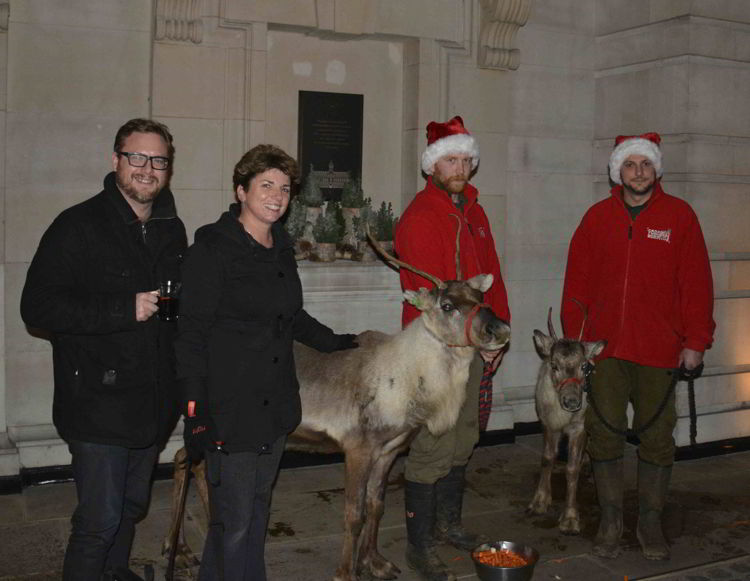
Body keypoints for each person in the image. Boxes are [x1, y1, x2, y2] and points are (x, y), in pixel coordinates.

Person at [174, 144, 358, 581]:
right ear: (241, 190)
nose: (277, 196)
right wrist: (195, 411)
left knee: (252, 513)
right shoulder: (212, 250)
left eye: (285, 188)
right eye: (265, 186)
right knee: (236, 523)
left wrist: (335, 342)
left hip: (273, 405)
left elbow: (290, 315)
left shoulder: (280, 248)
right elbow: (190, 335)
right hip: (230, 408)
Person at [20, 118, 188, 580]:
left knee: (131, 508)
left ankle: (115, 574)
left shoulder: (172, 228)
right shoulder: (78, 225)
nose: (147, 168)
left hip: (152, 403)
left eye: (158, 160)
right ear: (116, 160)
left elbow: (173, 311)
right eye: (137, 157)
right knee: (98, 520)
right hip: (96, 403)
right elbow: (37, 306)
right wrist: (122, 308)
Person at [561, 132, 715, 561]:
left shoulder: (680, 217)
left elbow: (697, 283)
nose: (639, 172)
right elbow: (576, 285)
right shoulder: (596, 218)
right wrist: (578, 341)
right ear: (618, 171)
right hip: (604, 353)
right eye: (630, 165)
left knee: (657, 439)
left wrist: (696, 340)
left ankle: (649, 522)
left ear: (655, 169)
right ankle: (611, 520)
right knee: (604, 436)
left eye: (645, 165)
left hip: (660, 350)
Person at [394, 116, 511, 581]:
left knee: (464, 439)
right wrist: (477, 337)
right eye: (450, 159)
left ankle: (449, 524)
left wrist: (497, 334)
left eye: (465, 159)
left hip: (474, 349)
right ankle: (419, 546)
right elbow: (435, 301)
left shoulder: (476, 213)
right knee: (431, 446)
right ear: (432, 166)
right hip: (435, 355)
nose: (459, 167)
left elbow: (492, 277)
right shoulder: (420, 218)